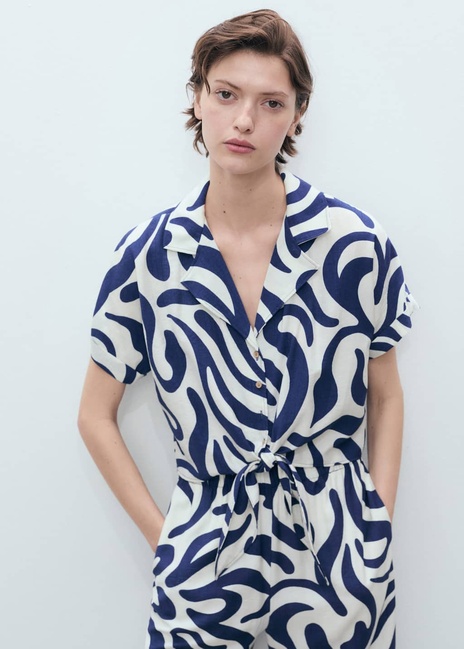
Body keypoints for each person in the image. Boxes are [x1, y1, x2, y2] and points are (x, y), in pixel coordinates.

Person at [78, 9, 416, 648]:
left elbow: (386, 395)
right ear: (197, 97)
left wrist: (374, 526)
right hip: (203, 560)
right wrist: (168, 541)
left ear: (297, 114)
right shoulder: (150, 255)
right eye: (227, 94)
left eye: (271, 102)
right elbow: (95, 414)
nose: (244, 121)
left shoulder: (355, 244)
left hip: (337, 556)